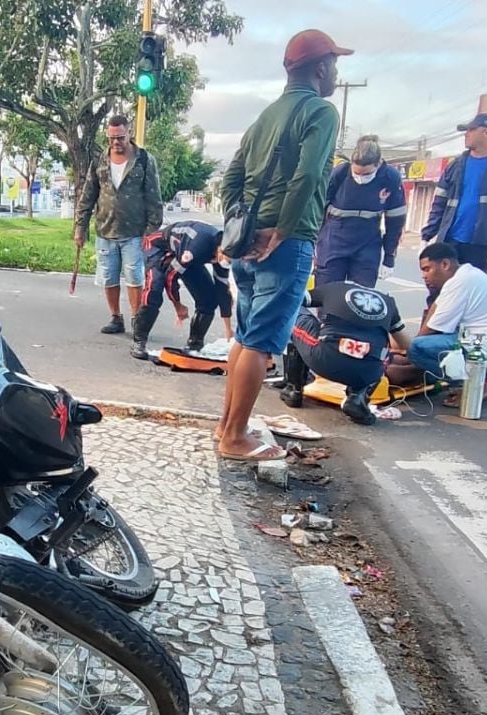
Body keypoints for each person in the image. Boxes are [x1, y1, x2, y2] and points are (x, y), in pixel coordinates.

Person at [216, 29, 349, 462]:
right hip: (285, 243)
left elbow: (231, 178)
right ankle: (235, 437)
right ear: (322, 67)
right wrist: (283, 230)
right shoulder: (321, 112)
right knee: (260, 343)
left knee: (245, 336)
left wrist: (243, 224)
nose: (335, 73)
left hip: (249, 241)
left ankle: (226, 427)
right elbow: (310, 176)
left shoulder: (266, 117)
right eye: (335, 65)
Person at [407, 242, 487, 407]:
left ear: (445, 264)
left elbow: (432, 329)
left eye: (427, 269)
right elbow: (436, 309)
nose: (424, 276)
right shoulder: (465, 276)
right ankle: (477, 379)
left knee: (417, 349)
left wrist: (408, 351)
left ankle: (476, 385)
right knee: (421, 348)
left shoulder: (461, 283)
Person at [74, 115, 163, 337]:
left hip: (135, 232)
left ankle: (136, 319)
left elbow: (154, 198)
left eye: (120, 137)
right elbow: (88, 195)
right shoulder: (99, 160)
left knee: (135, 276)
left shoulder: (144, 160)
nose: (116, 142)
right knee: (108, 276)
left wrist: (151, 233)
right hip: (105, 229)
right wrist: (80, 227)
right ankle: (116, 317)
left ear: (129, 133)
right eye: (112, 138)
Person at [281, 281, 411, 425]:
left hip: (325, 359)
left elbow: (294, 299)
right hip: (368, 372)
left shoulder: (335, 288)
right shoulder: (388, 302)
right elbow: (403, 344)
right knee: (378, 357)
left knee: (294, 312)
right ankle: (357, 397)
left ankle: (293, 389)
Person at [421, 113, 487, 273]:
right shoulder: (455, 165)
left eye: (472, 130)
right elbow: (439, 204)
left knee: (473, 291)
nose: (466, 134)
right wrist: (427, 236)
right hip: (449, 240)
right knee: (444, 290)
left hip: (479, 242)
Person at [131, 220, 234, 359]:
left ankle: (194, 344)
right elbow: (170, 277)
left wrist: (228, 329)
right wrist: (178, 306)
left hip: (183, 256)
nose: (223, 261)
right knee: (154, 289)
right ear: (220, 247)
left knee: (209, 299)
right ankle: (139, 340)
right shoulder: (197, 248)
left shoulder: (224, 255)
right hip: (158, 248)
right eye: (223, 257)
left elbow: (222, 290)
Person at [314, 134, 407, 287]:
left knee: (361, 300)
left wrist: (389, 258)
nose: (360, 178)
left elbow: (395, 221)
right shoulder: (339, 174)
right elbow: (317, 211)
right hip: (332, 243)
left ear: (378, 164)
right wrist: (313, 245)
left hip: (367, 247)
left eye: (366, 174)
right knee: (326, 296)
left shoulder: (390, 178)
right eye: (356, 173)